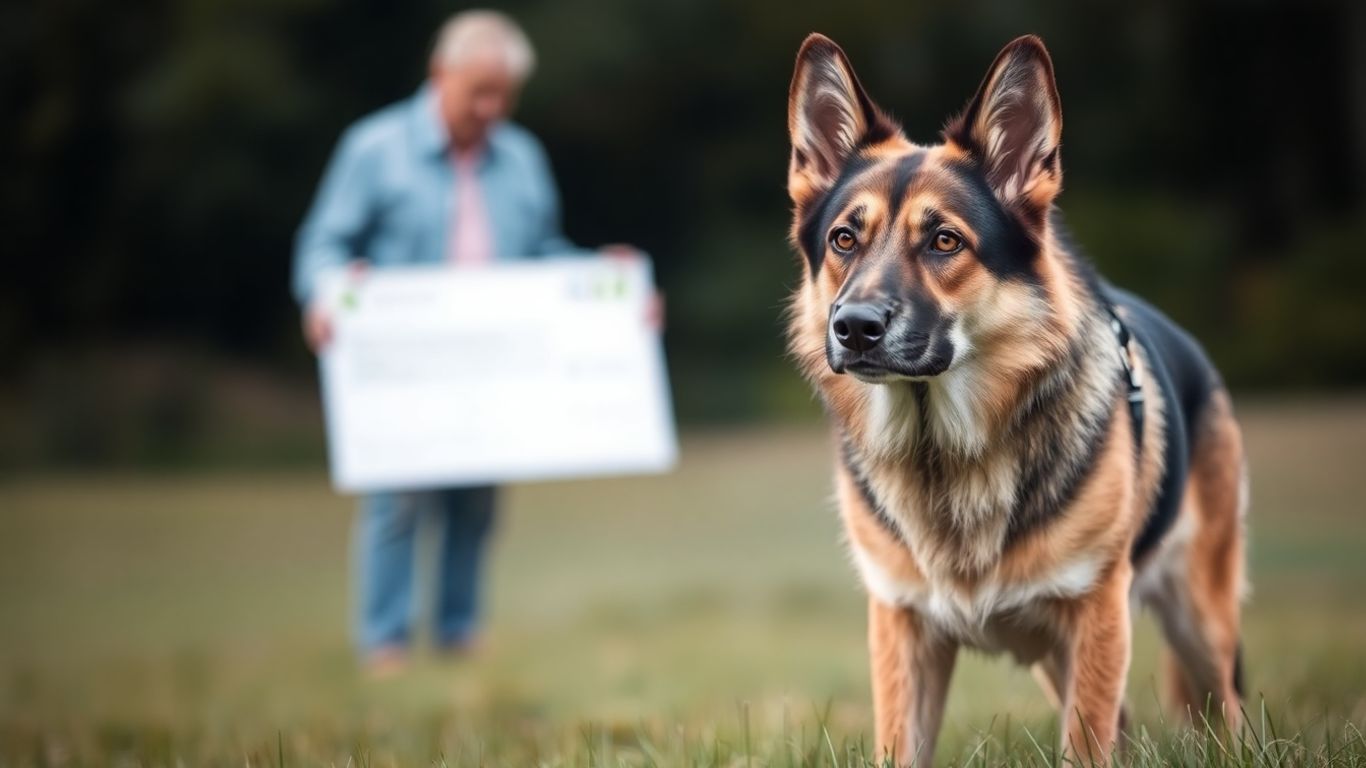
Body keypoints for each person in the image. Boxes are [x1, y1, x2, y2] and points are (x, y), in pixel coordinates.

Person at [292, 10, 592, 675]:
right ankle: (386, 641)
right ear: (440, 75)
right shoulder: (372, 149)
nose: (490, 108)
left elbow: (544, 251)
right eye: (478, 91)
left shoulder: (521, 157)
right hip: (402, 362)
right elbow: (323, 245)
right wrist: (325, 291)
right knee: (396, 501)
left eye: (503, 95)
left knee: (478, 500)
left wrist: (608, 284)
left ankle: (459, 629)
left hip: (493, 360)